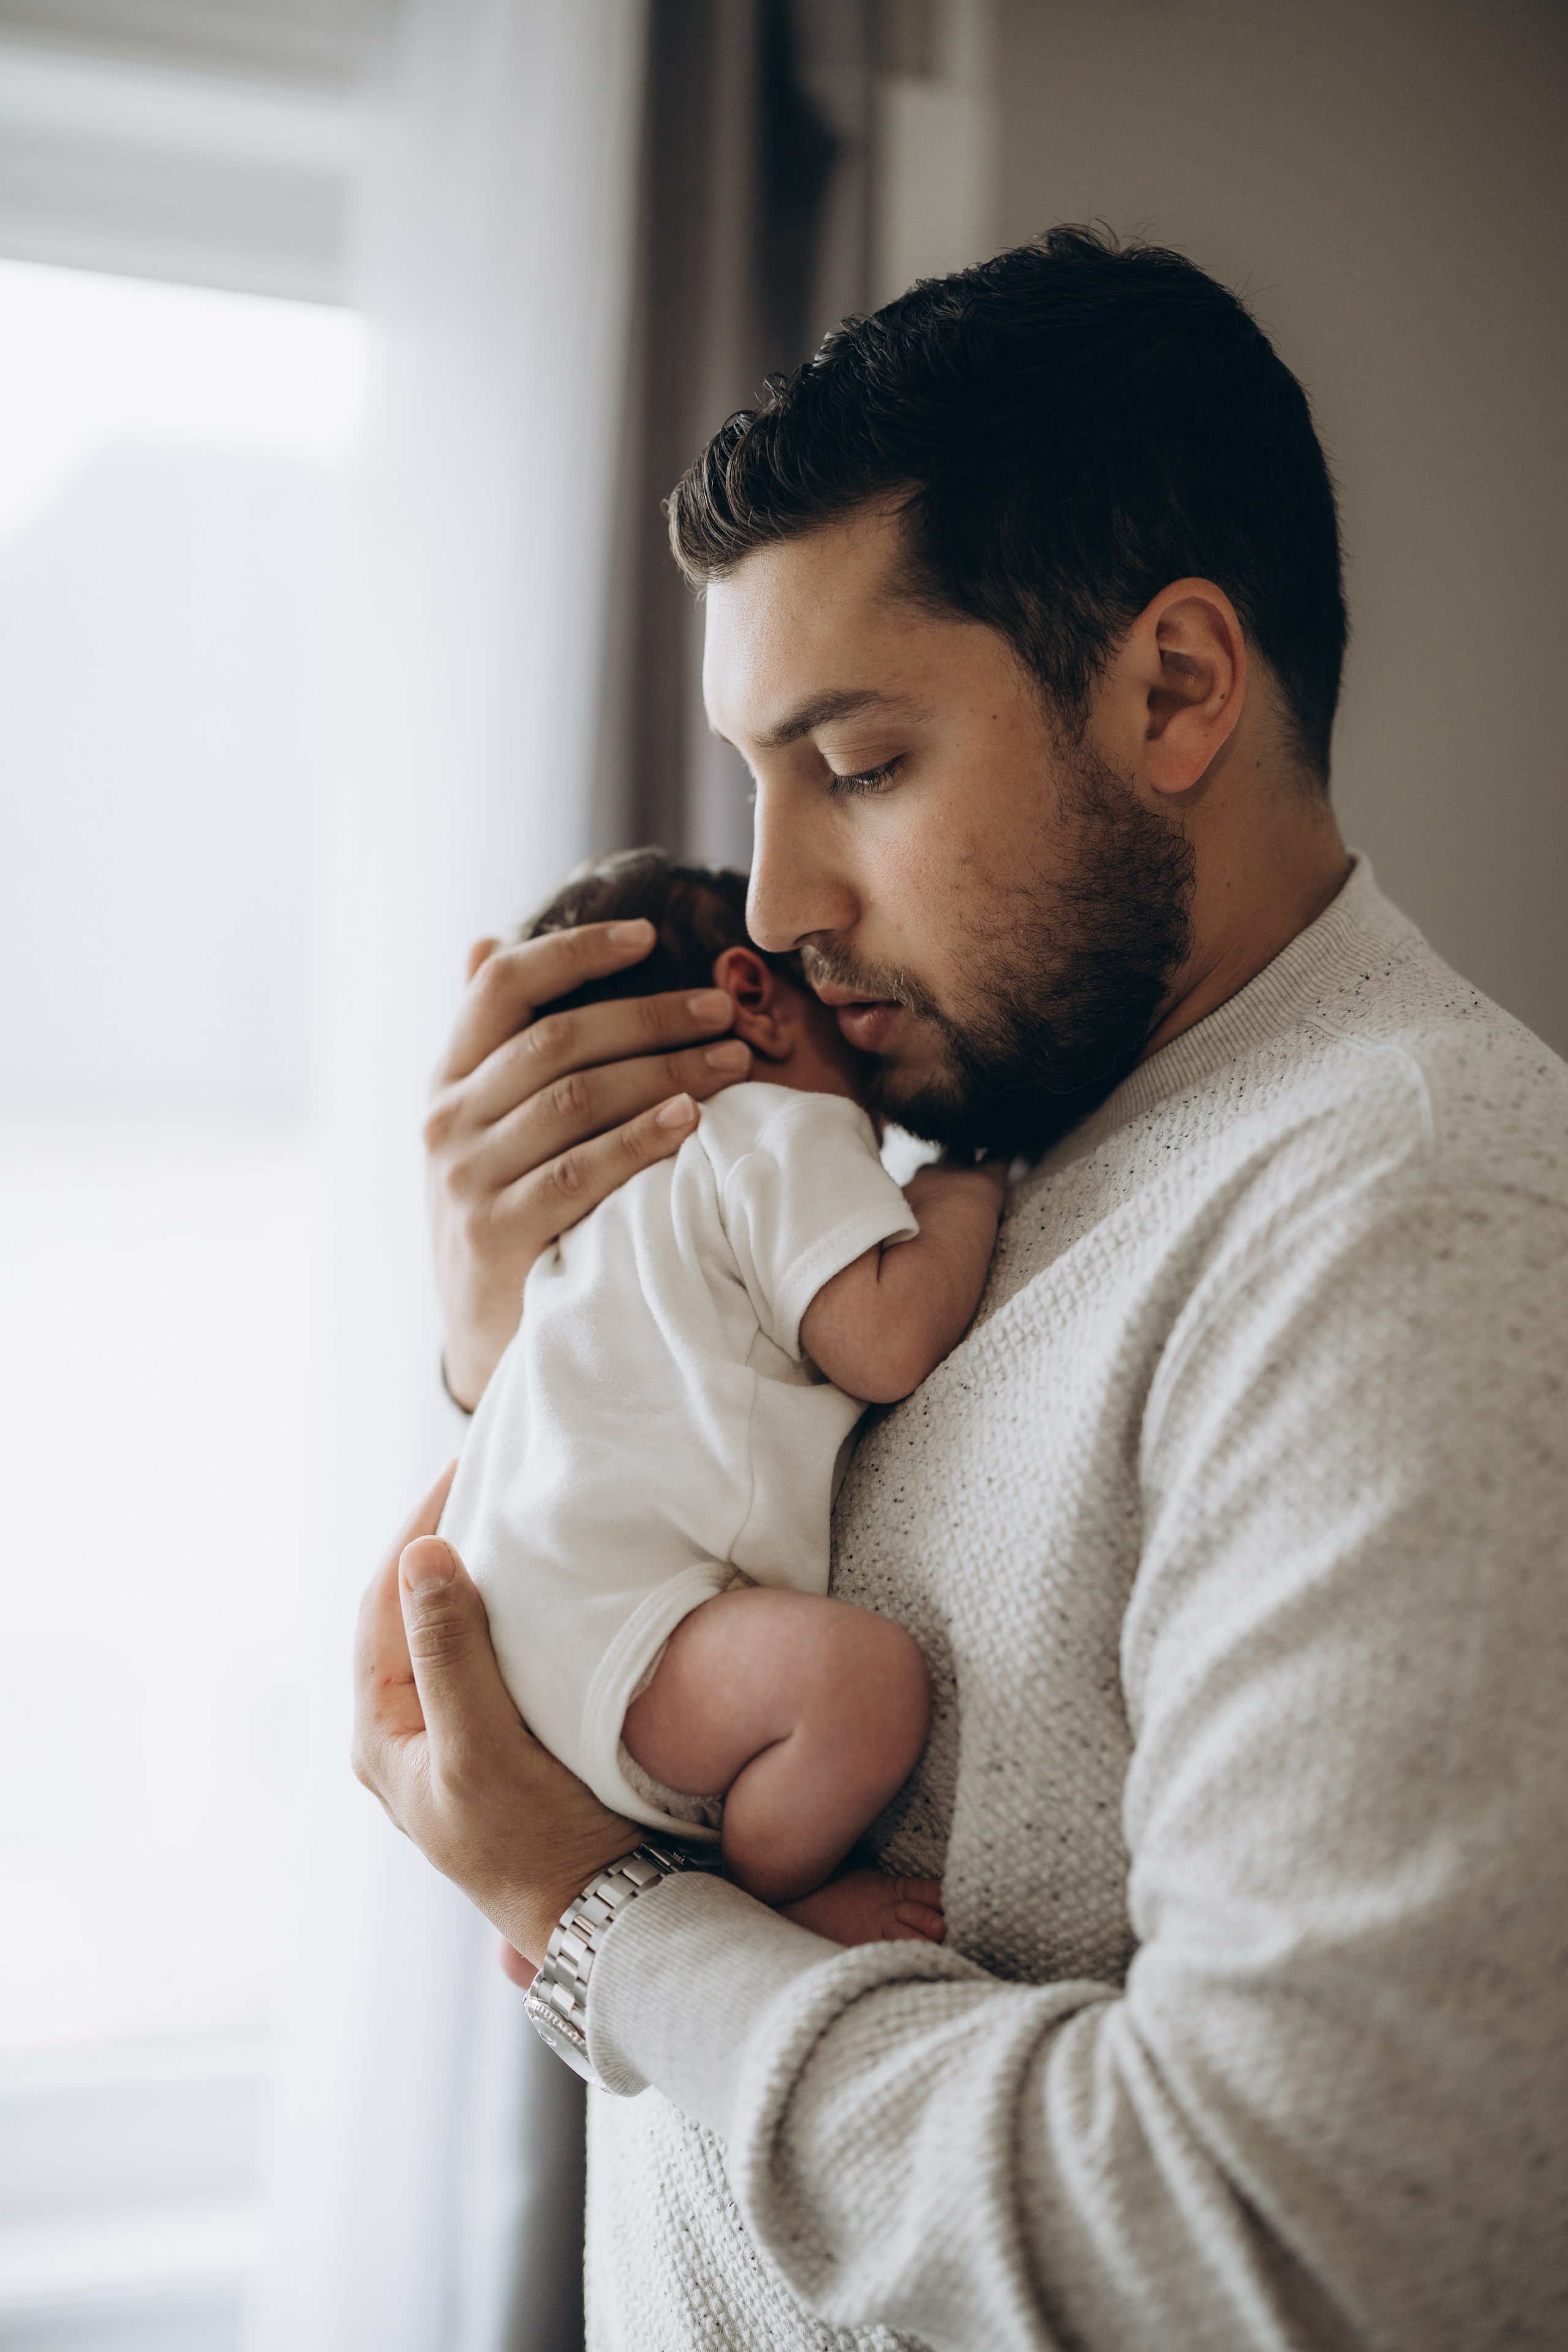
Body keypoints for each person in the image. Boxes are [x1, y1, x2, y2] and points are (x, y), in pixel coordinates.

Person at [353, 228, 1568, 2350]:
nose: (774, 903)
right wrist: (520, 1355)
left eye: (862, 766)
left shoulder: (1405, 1219)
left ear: (1176, 688)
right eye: (755, 785)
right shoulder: (974, 1166)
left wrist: (597, 1921)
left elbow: (1308, 2253)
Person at [440, 846, 1004, 1944]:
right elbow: (886, 1341)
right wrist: (962, 1186)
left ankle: (621, 1892)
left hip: (526, 1633)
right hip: (620, 1625)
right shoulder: (771, 1126)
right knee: (864, 1689)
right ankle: (756, 1904)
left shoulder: (590, 1228)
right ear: (753, 992)